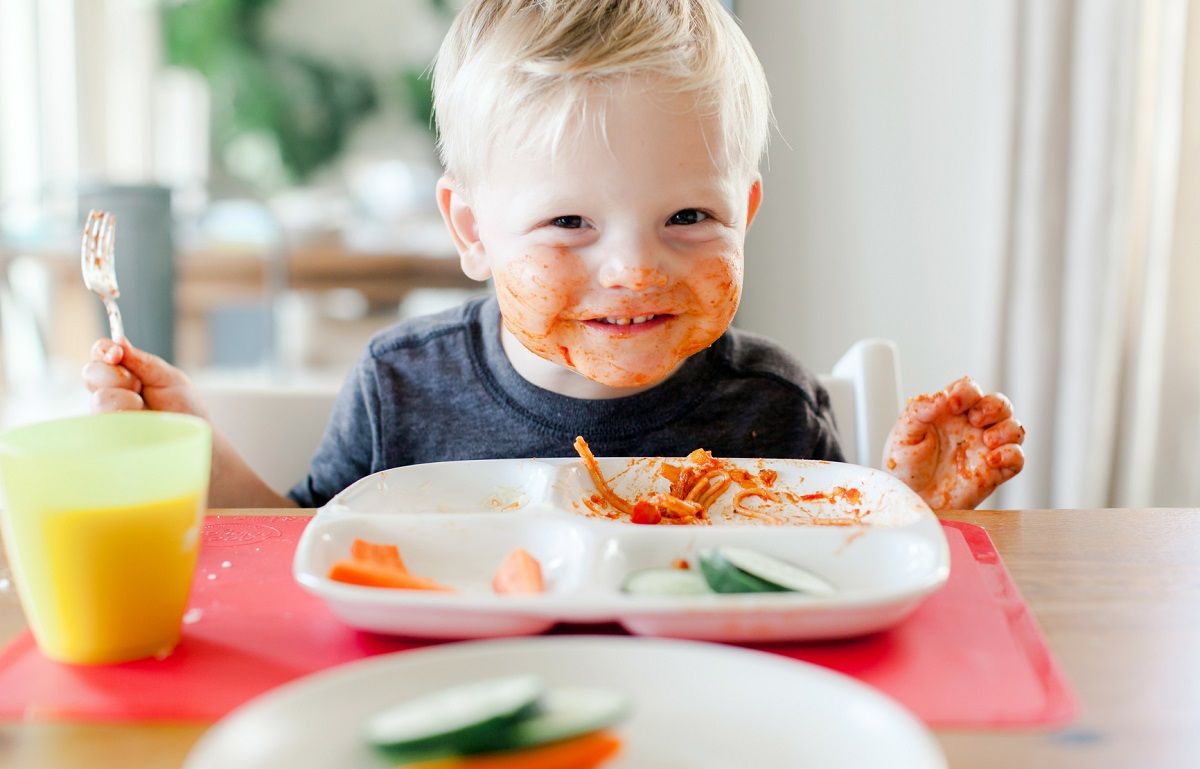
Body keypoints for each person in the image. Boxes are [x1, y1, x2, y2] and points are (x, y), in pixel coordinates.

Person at [83, 0, 1024, 512]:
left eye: (690, 215)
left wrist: (917, 512)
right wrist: (194, 451)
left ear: (748, 211)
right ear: (472, 232)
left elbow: (834, 572)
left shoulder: (772, 406)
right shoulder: (400, 388)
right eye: (569, 223)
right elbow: (306, 551)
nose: (633, 269)